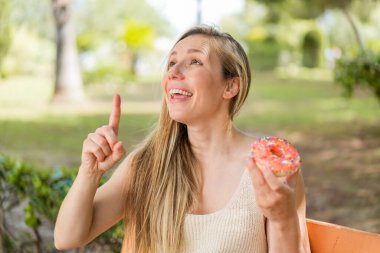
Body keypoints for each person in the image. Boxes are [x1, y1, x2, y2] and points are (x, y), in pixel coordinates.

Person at [54, 25, 311, 253]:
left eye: (195, 62)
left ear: (231, 86)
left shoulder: (271, 168)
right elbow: (67, 238)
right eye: (171, 63)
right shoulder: (146, 165)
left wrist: (283, 218)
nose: (174, 72)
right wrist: (89, 171)